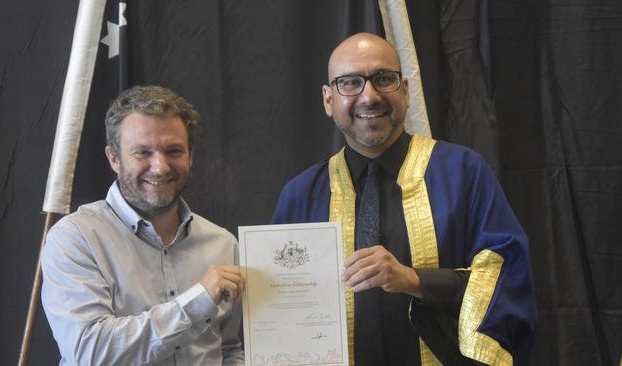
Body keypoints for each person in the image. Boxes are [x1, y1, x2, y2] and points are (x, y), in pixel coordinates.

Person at [271, 33, 536, 365]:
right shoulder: (300, 196)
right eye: (350, 83)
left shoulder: (463, 173)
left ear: (406, 91)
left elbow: (507, 276)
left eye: (384, 79)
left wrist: (414, 280)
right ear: (328, 99)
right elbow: (281, 306)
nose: (369, 96)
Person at [41, 85, 245, 365]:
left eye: (173, 151)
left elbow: (228, 350)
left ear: (190, 155)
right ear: (114, 158)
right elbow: (90, 352)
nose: (160, 166)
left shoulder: (223, 243)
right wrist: (198, 301)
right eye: (142, 152)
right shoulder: (74, 239)